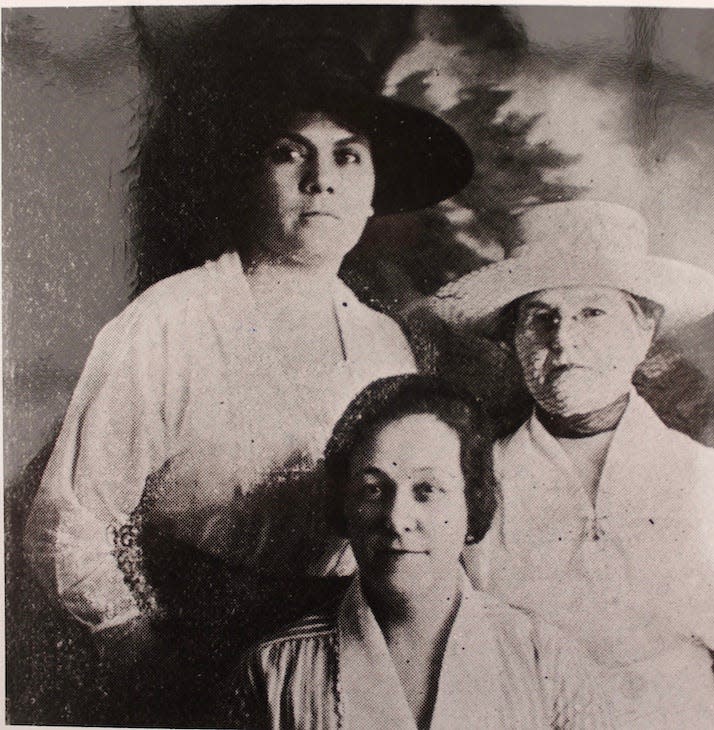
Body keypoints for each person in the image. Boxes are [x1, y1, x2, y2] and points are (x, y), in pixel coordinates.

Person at [24, 31, 473, 725]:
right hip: (194, 646)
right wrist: (142, 651)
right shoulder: (172, 321)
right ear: (246, 174)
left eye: (347, 156)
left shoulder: (383, 342)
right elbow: (69, 522)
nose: (320, 179)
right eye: (290, 152)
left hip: (346, 655)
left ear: (374, 186)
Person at [428, 200, 714, 729]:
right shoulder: (475, 482)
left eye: (592, 313)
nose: (563, 340)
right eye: (540, 318)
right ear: (512, 340)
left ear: (644, 330)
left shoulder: (710, 481)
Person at [237, 374, 625, 730]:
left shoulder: (547, 661)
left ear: (471, 502)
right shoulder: (277, 668)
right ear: (344, 503)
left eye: (428, 490)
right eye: (373, 489)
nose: (397, 519)